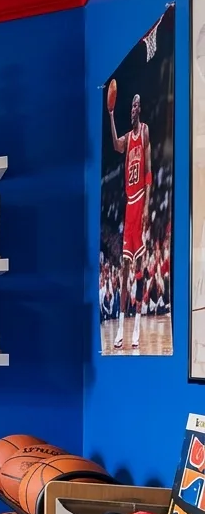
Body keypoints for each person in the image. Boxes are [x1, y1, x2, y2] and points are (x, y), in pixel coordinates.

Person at [108, 92, 152, 349]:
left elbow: (148, 171)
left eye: (136, 104)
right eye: (131, 105)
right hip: (128, 204)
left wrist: (147, 206)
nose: (133, 109)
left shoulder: (145, 132)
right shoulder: (127, 137)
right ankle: (122, 326)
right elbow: (115, 145)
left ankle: (137, 324)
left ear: (141, 108)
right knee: (124, 269)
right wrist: (111, 115)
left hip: (140, 201)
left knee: (140, 268)